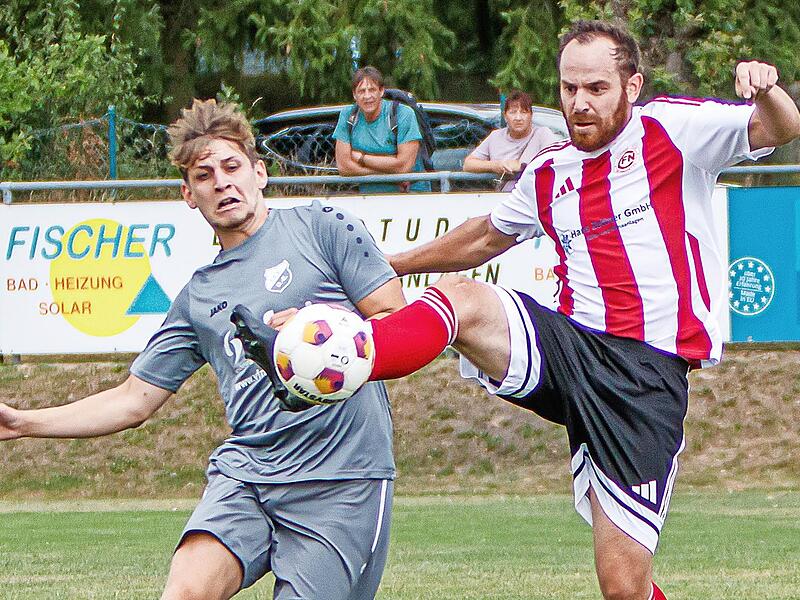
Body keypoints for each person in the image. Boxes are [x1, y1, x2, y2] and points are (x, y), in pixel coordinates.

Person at [325, 20, 800, 600]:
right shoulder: (549, 169)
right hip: (572, 351)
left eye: (596, 88)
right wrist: (390, 267)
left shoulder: (673, 129)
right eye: (568, 89)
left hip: (646, 375)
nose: (578, 103)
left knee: (623, 586)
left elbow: (778, 126)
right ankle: (345, 356)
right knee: (462, 299)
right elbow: (483, 238)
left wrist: (767, 89)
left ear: (632, 86)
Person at [0, 99, 405, 600]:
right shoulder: (199, 296)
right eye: (204, 174)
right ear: (189, 195)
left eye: (232, 167)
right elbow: (133, 400)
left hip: (342, 479)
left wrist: (323, 331)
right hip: (249, 476)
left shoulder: (322, 227)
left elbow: (395, 322)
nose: (221, 182)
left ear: (260, 174)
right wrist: (22, 422)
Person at [334, 65, 431, 194]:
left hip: (409, 195)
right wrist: (388, 172)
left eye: (372, 90)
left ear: (381, 91)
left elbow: (403, 166)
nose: (367, 96)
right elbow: (344, 167)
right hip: (368, 198)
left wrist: (361, 158)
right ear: (354, 95)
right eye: (362, 91)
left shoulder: (402, 114)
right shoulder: (348, 115)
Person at [463, 90, 562, 191]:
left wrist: (521, 166)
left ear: (531, 115)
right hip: (503, 197)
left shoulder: (543, 134)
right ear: (505, 116)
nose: (518, 118)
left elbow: (556, 163)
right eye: (513, 112)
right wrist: (496, 165)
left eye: (523, 112)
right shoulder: (495, 136)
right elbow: (468, 164)